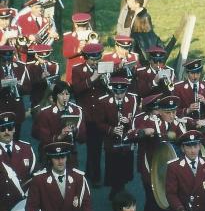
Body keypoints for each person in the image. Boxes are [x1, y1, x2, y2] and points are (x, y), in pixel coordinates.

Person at [127, 93, 167, 211]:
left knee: (162, 194)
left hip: (165, 163)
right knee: (151, 196)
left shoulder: (165, 118)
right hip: (148, 164)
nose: (159, 111)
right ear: (150, 108)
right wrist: (143, 131)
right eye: (157, 108)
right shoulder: (140, 118)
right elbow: (130, 134)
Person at [96, 76, 137, 200]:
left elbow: (138, 120)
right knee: (113, 169)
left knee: (125, 169)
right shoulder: (104, 101)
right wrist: (112, 130)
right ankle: (116, 190)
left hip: (126, 143)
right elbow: (99, 123)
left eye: (122, 92)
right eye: (116, 92)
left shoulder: (132, 100)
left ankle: (120, 189)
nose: (119, 95)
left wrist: (129, 122)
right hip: (112, 144)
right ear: (113, 90)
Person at [72, 42, 107, 187]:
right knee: (91, 147)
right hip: (86, 114)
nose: (95, 62)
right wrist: (93, 78)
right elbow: (76, 90)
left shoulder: (105, 68)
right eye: (92, 60)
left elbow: (109, 90)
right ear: (85, 58)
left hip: (100, 114)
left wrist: (106, 80)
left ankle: (92, 175)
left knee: (96, 147)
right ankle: (93, 175)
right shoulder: (78, 70)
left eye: (97, 59)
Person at [32, 80, 85, 167]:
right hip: (50, 155)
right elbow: (42, 138)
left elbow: (83, 139)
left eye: (67, 94)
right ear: (56, 95)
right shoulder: (45, 113)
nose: (65, 98)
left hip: (69, 154)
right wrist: (60, 136)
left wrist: (75, 131)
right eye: (61, 94)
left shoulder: (77, 110)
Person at [0, 44, 30, 140]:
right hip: (1, 107)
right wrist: (3, 84)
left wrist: (17, 85)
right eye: (4, 56)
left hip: (16, 108)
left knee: (16, 138)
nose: (7, 59)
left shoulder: (21, 67)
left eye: (9, 56)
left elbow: (28, 87)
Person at [63, 12, 95, 84]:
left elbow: (99, 53)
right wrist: (78, 50)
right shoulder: (68, 37)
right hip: (74, 71)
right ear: (75, 25)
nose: (83, 28)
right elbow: (66, 54)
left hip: (89, 70)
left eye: (84, 26)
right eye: (81, 26)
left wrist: (92, 45)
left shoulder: (92, 36)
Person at [129, 0, 161, 65]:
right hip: (135, 48)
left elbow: (148, 38)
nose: (129, 4)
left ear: (137, 4)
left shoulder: (145, 17)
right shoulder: (134, 14)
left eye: (131, 3)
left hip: (142, 53)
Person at [26, 44, 59, 111]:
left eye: (46, 58)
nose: (44, 60)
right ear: (36, 56)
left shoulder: (54, 66)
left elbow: (58, 82)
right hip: (38, 98)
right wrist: (41, 78)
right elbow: (29, 85)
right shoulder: (31, 66)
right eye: (41, 57)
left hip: (51, 98)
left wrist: (51, 78)